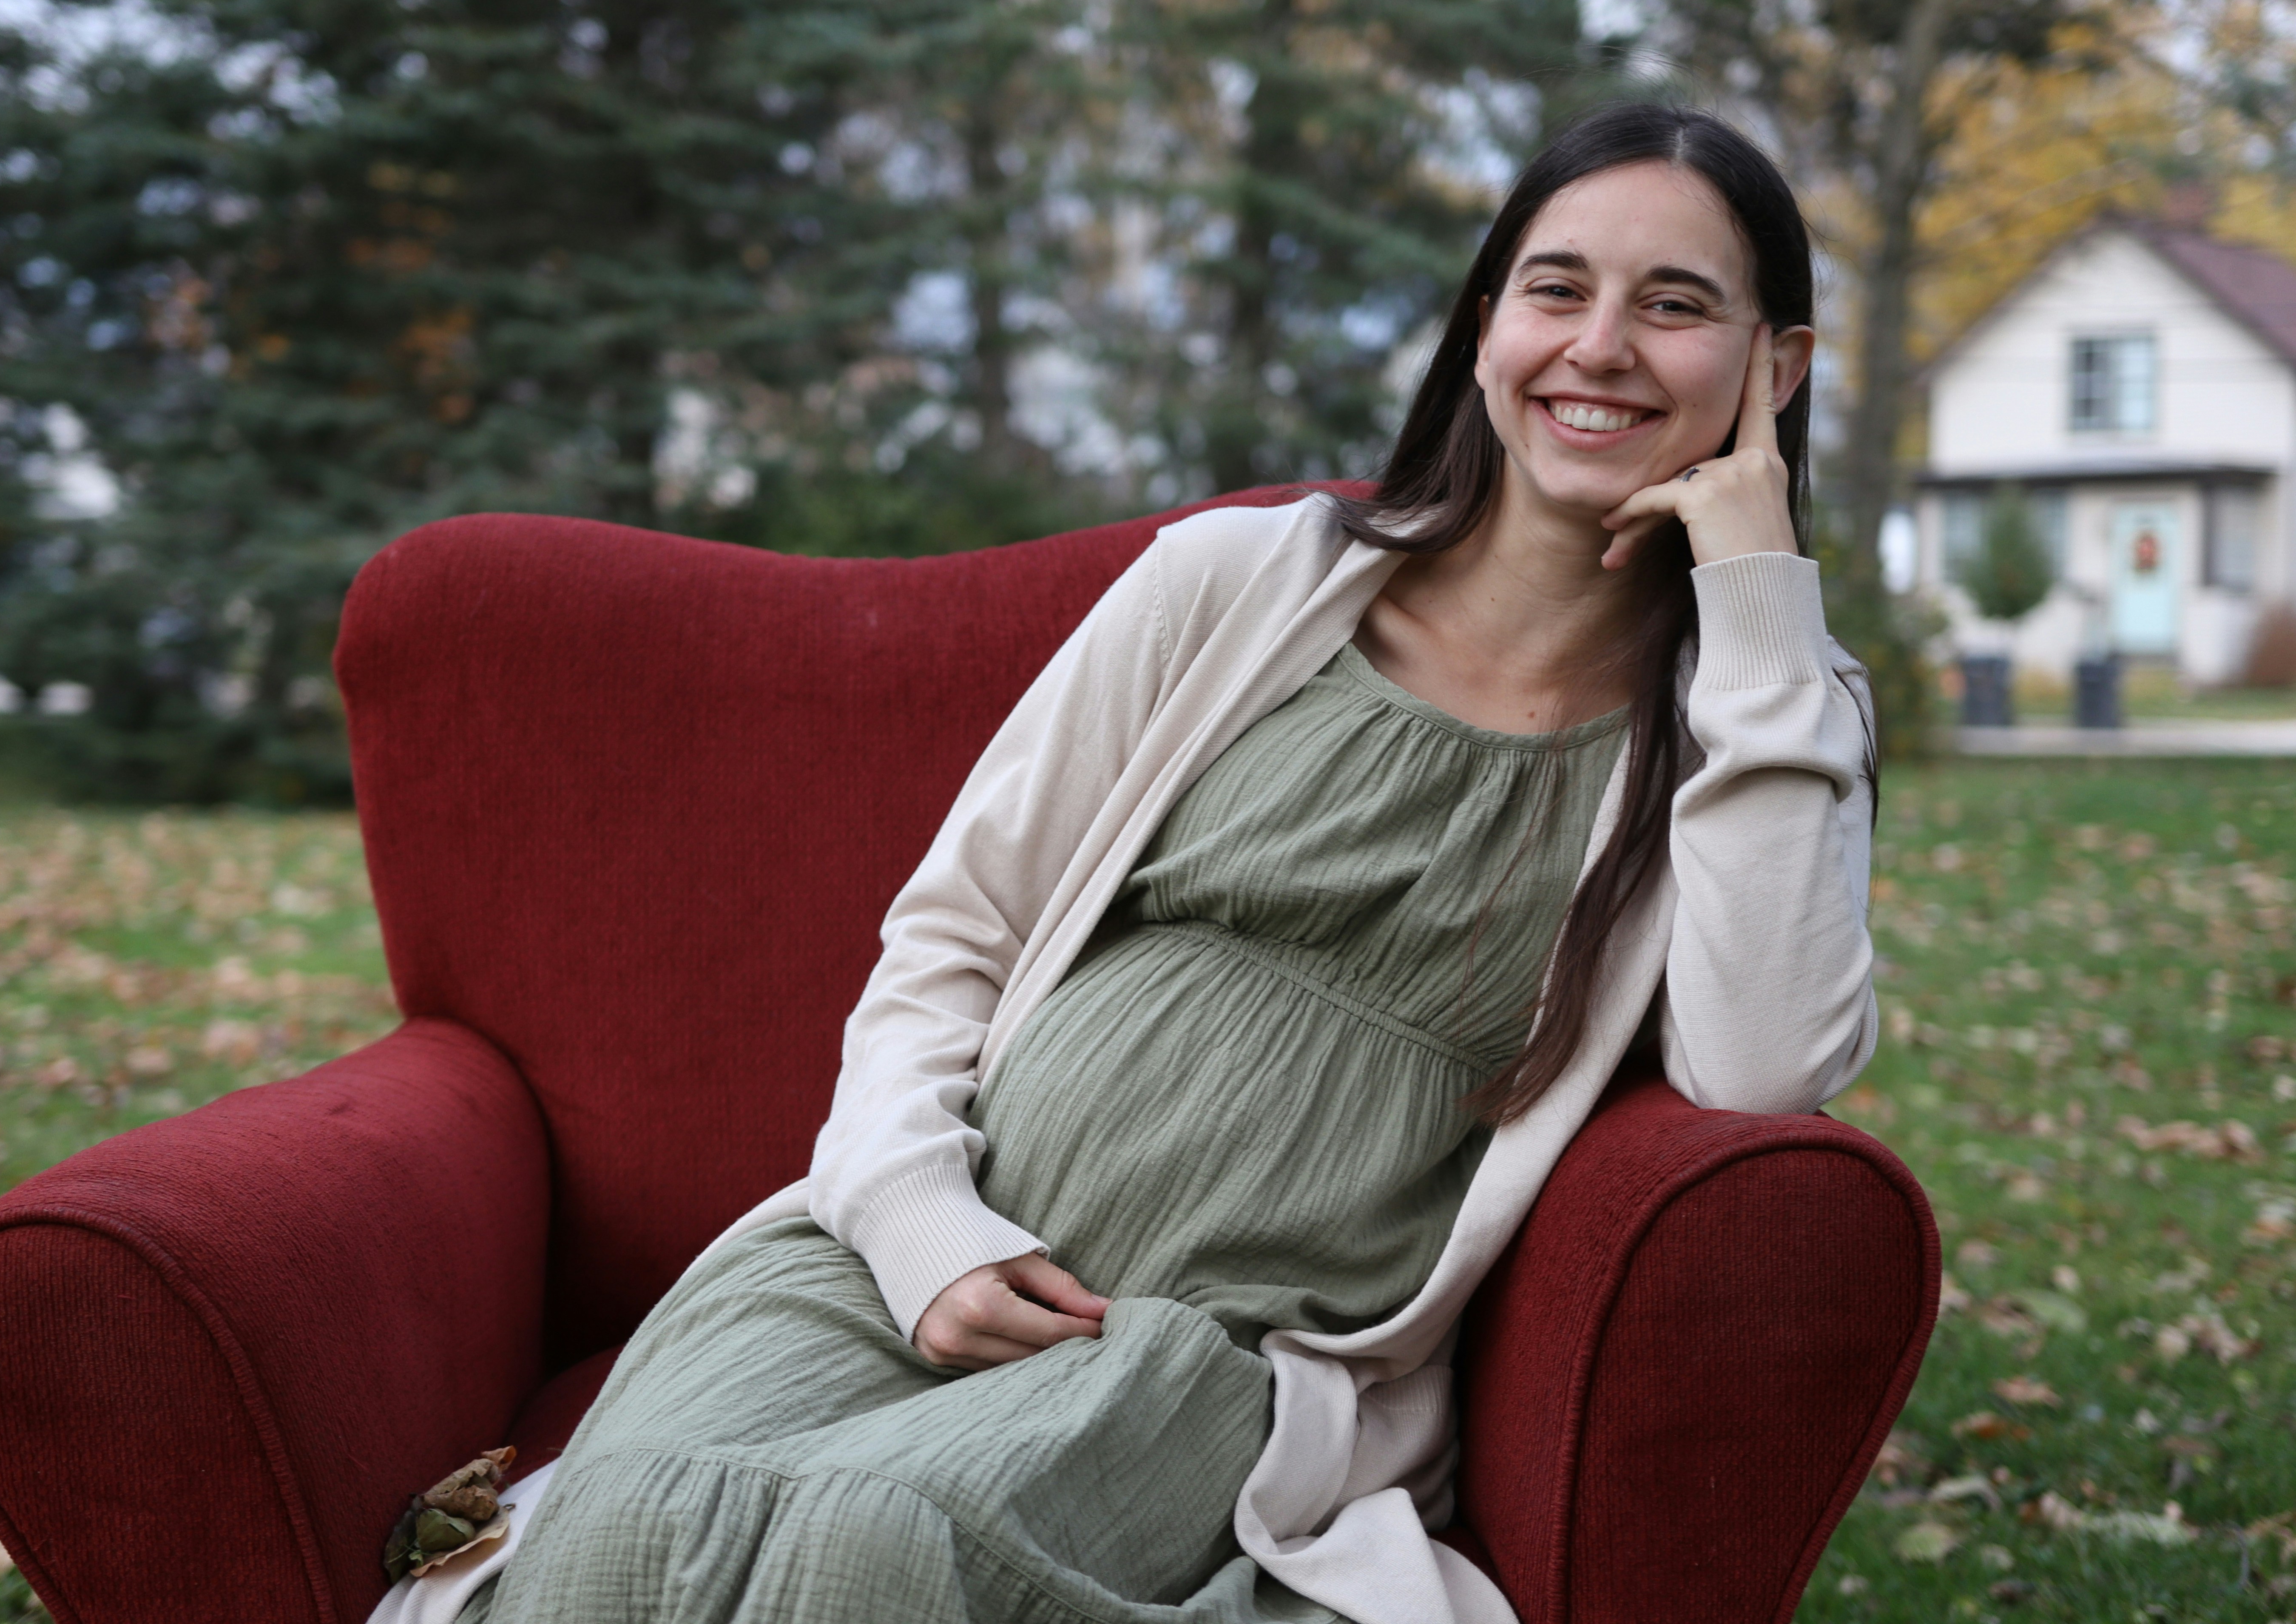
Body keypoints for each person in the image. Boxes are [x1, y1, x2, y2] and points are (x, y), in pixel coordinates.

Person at [440, 100, 1877, 1624]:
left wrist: (1760, 600)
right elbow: (953, 936)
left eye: (1676, 306)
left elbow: (1766, 1071)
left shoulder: (1762, 714)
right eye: (1557, 288)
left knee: (872, 1556)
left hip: (1201, 1352)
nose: (1600, 346)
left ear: (1773, 368)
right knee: (611, 1545)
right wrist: (921, 1227)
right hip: (905, 1258)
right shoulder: (1238, 584)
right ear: (1484, 330)